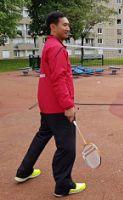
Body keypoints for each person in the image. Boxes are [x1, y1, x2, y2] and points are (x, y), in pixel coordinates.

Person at [14, 12, 86, 197]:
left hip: (47, 105)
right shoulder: (57, 49)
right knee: (67, 147)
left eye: (68, 25)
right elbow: (59, 79)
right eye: (64, 25)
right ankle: (63, 186)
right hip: (57, 107)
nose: (68, 28)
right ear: (53, 27)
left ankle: (24, 171)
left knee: (42, 136)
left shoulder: (49, 45)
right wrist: (68, 105)